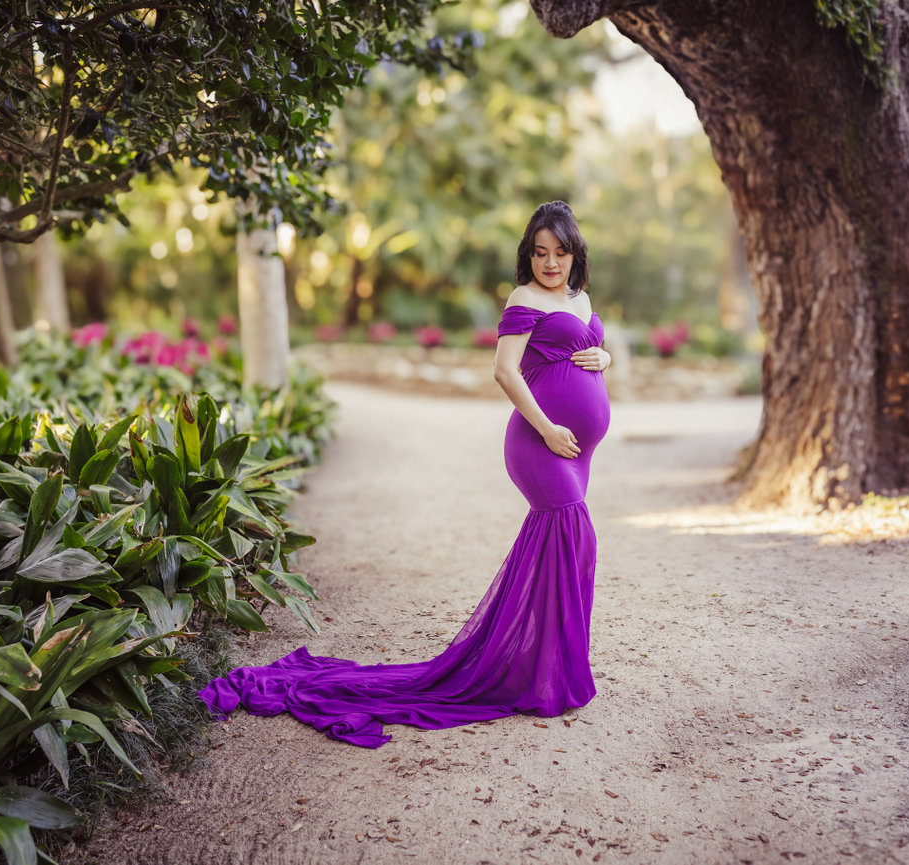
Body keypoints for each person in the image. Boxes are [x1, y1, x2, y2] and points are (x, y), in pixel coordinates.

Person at [198, 201, 611, 747]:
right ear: (528, 256)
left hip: (578, 450)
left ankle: (548, 669)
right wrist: (550, 430)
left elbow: (589, 349)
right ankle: (536, 676)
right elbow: (504, 372)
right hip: (540, 443)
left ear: (574, 252)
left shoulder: (579, 299)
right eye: (539, 252)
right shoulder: (524, 299)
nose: (549, 262)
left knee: (564, 549)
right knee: (573, 532)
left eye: (559, 252)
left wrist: (604, 358)